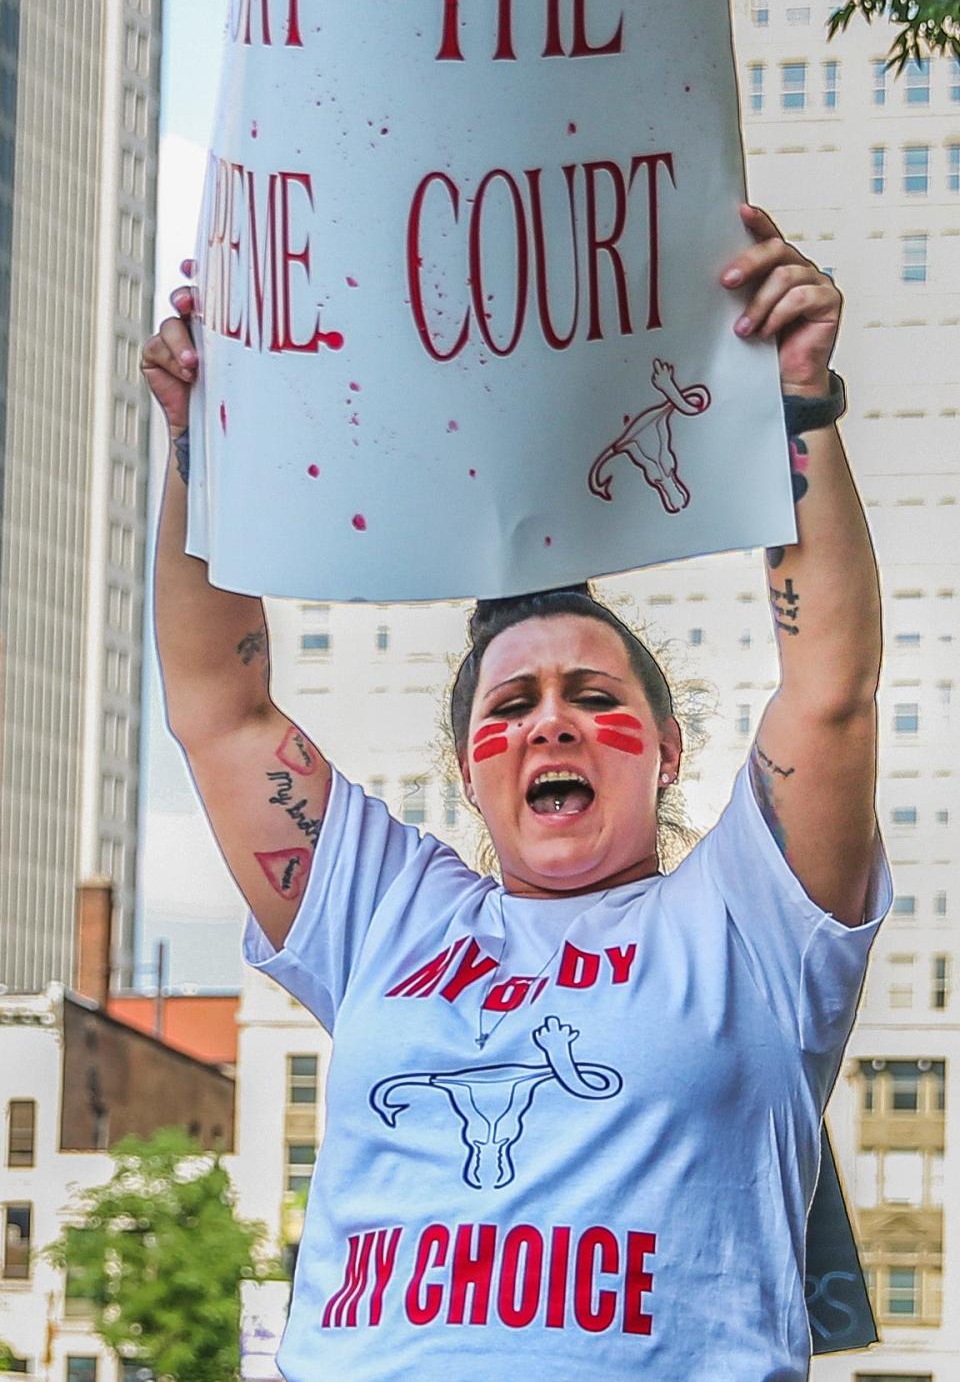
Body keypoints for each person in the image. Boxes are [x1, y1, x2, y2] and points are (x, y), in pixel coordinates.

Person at [143, 204, 890, 1381]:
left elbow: (831, 691)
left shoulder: (754, 923)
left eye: (593, 696)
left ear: (668, 748)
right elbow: (218, 712)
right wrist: (206, 445)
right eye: (508, 706)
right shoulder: (386, 912)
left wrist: (800, 403)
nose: (548, 719)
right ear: (470, 770)